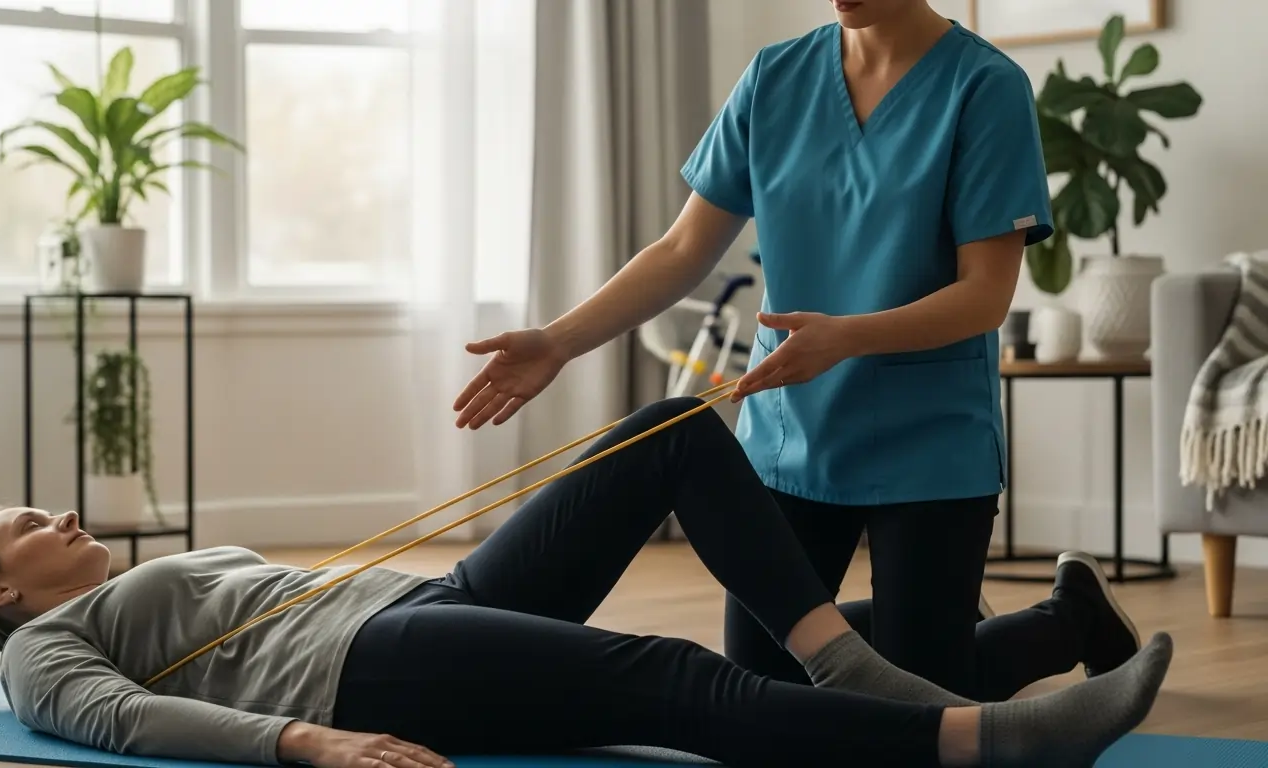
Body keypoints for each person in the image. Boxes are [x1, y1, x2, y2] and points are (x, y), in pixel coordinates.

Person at [448, 0, 1132, 701]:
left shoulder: (984, 87)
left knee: (915, 713)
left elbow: (985, 296)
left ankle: (1065, 620)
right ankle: (953, 628)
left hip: (930, 444)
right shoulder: (775, 78)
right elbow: (684, 248)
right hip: (789, 435)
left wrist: (847, 337)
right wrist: (558, 342)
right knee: (765, 696)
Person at [0, 399, 1169, 768]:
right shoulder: (44, 654)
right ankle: (986, 744)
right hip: (366, 673)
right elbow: (129, 719)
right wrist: (307, 747)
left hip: (421, 607)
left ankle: (876, 660)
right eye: (26, 525)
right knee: (670, 680)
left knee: (670, 430)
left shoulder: (150, 576)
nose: (59, 515)